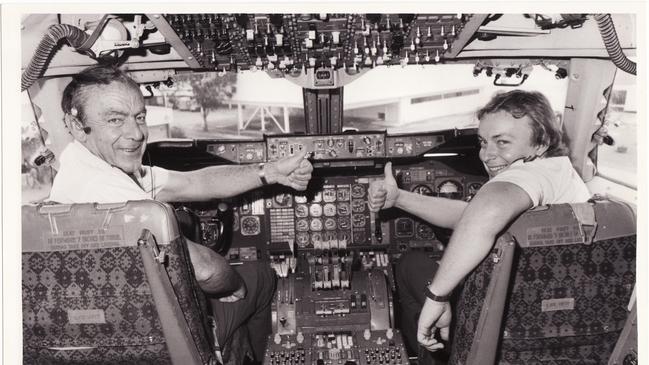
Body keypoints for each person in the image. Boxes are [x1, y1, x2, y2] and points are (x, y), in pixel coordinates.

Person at [47, 65, 313, 363]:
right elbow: (206, 270)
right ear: (74, 125)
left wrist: (270, 171)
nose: (136, 133)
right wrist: (236, 286)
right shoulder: (103, 187)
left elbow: (194, 182)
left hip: (113, 330)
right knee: (260, 278)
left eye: (140, 117)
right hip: (161, 335)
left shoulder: (91, 169)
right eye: (114, 120)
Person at [367, 90, 591, 360]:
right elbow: (471, 216)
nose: (486, 155)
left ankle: (433, 351)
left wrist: (437, 296)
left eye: (503, 142)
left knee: (409, 264)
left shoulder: (530, 173)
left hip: (494, 312)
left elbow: (488, 210)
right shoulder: (557, 172)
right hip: (543, 314)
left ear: (540, 143)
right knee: (417, 264)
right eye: (483, 142)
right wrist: (400, 198)